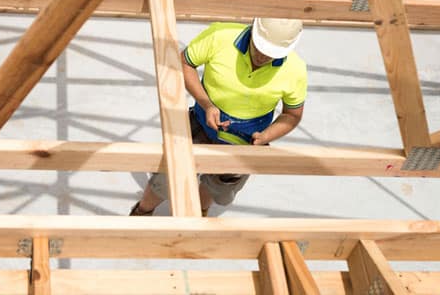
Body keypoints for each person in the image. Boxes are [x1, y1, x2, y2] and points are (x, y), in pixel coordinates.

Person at [130, 17, 307, 216]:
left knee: (218, 185)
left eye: (270, 54)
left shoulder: (295, 70)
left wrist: (267, 136)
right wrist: (206, 104)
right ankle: (142, 212)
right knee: (167, 176)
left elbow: (292, 115)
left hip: (245, 142)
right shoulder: (220, 36)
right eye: (259, 48)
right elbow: (185, 62)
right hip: (201, 124)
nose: (262, 57)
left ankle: (200, 212)